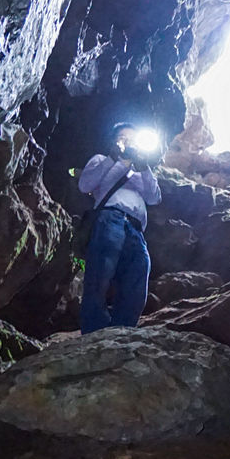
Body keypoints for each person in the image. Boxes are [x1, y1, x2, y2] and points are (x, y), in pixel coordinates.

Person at [74, 122, 163, 333]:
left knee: (137, 281)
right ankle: (93, 332)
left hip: (136, 230)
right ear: (114, 142)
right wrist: (117, 159)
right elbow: (85, 185)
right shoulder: (101, 160)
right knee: (100, 274)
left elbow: (154, 197)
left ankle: (122, 334)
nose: (129, 143)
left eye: (133, 140)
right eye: (124, 139)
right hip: (109, 218)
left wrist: (143, 167)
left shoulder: (141, 170)